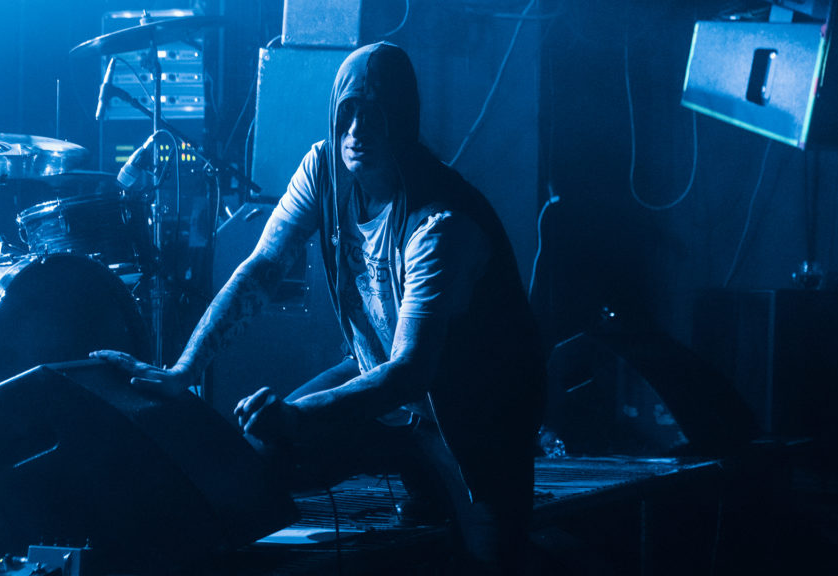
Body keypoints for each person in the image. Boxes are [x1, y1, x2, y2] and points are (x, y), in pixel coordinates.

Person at [93, 41, 545, 573]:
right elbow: (263, 267)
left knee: (493, 561)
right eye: (347, 111)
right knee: (263, 453)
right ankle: (417, 478)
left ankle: (436, 486)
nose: (356, 131)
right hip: (381, 381)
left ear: (403, 120)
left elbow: (411, 372)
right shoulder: (324, 167)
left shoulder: (441, 222)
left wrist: (297, 415)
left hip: (470, 414)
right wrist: (183, 372)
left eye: (374, 115)